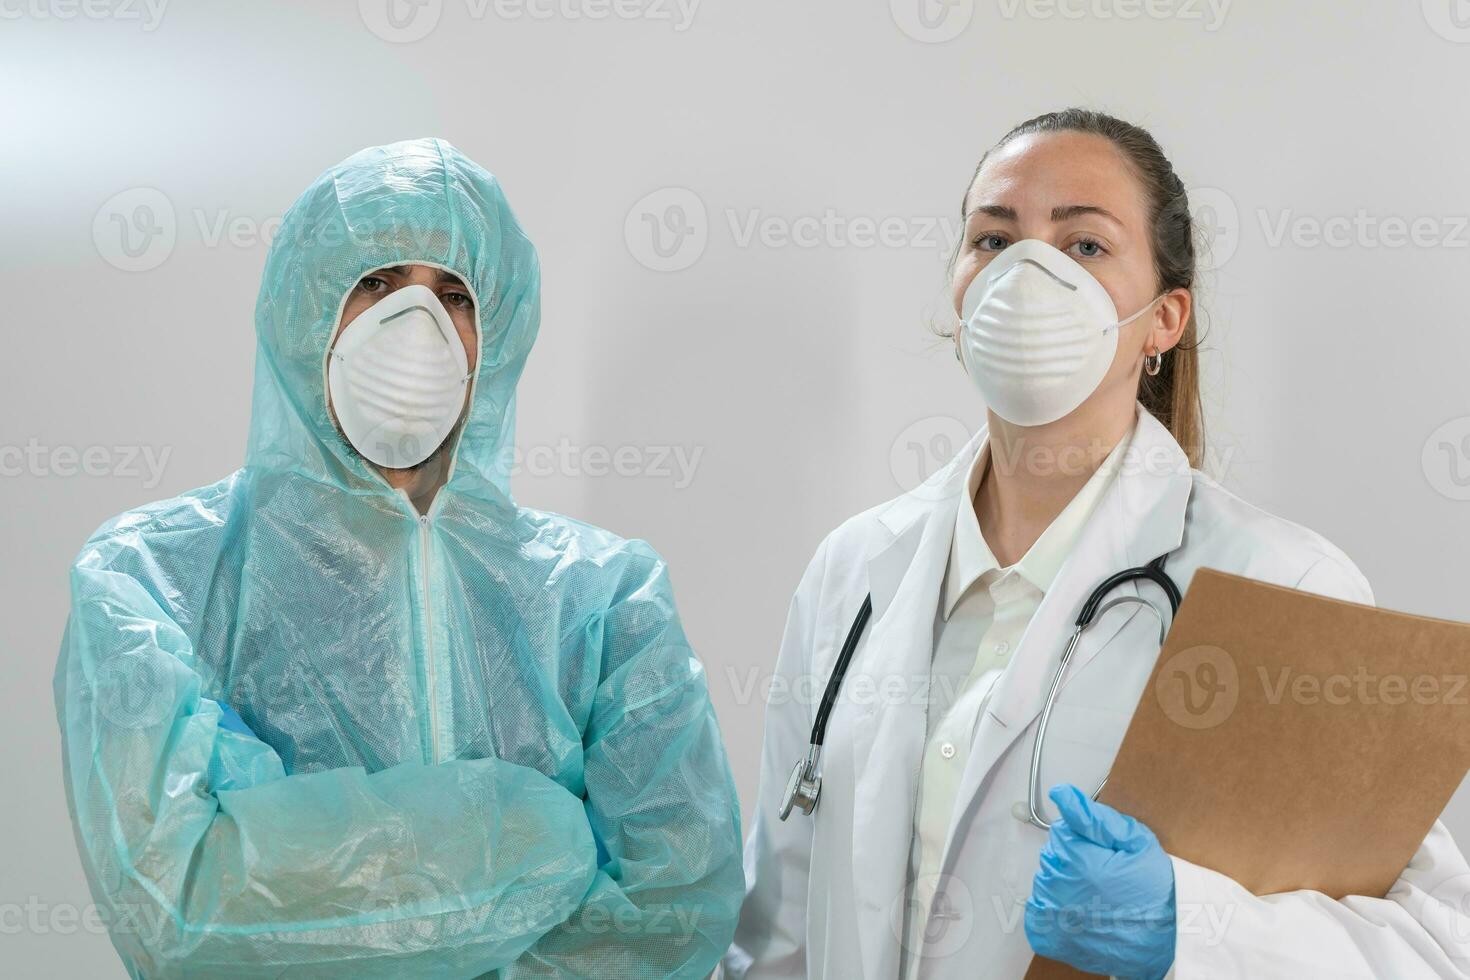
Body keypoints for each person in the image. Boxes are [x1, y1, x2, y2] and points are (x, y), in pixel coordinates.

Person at [725, 109, 1470, 979]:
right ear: (961, 295)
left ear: (1164, 320)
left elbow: (1433, 946)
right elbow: (774, 931)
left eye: (1083, 246)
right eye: (994, 240)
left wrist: (1187, 927)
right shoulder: (853, 571)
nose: (1026, 274)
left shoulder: (1280, 586)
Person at [55, 137, 743, 979]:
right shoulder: (156, 579)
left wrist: (289, 845)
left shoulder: (603, 598)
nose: (415, 328)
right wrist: (546, 837)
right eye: (377, 283)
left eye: (453, 294)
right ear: (304, 309)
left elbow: (672, 913)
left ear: (498, 332)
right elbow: (180, 906)